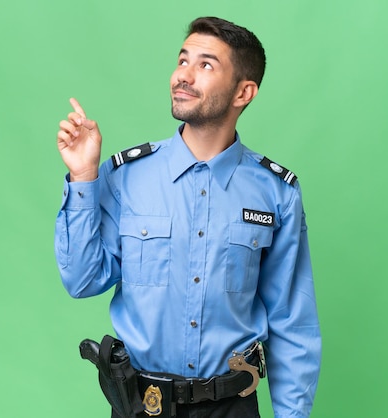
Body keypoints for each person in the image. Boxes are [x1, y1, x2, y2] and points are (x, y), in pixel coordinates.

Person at [55, 16, 321, 418]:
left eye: (206, 65)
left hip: (233, 406)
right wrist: (83, 177)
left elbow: (292, 324)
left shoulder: (275, 192)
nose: (183, 75)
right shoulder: (125, 176)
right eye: (183, 60)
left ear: (243, 92)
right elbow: (82, 279)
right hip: (142, 406)